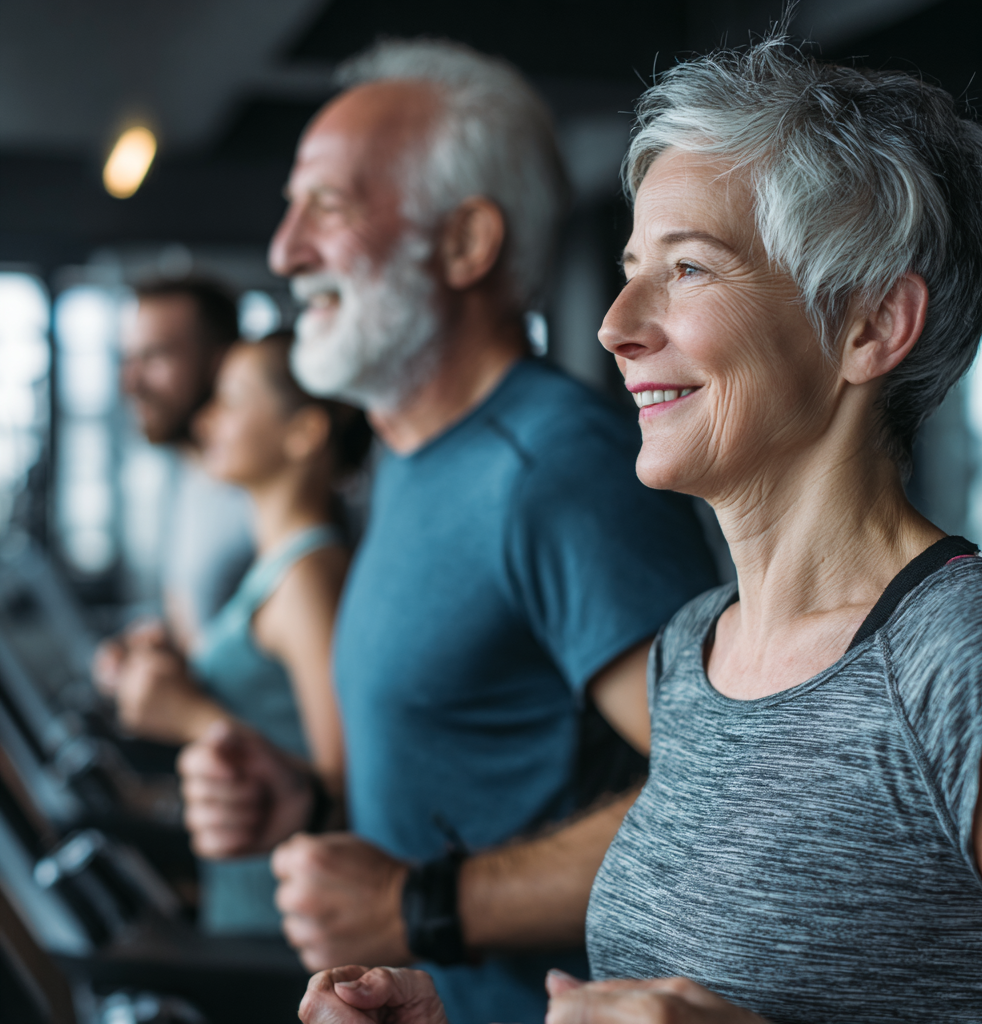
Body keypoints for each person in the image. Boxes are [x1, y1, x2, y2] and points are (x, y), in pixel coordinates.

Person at [295, 32, 982, 1024]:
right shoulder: (694, 651)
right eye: (632, 267)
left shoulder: (964, 652)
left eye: (687, 270)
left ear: (867, 325)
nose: (615, 323)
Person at [177, 38, 718, 1024]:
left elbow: (726, 802)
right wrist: (301, 800)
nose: (284, 250)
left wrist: (415, 904)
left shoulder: (557, 466)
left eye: (329, 207)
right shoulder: (413, 455)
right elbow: (484, 758)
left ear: (467, 243)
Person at [102, 332, 369, 935]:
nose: (207, 418)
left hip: (282, 926)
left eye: (232, 399)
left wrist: (191, 714)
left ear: (303, 433)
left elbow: (344, 793)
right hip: (246, 896)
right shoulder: (276, 566)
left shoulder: (308, 576)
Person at [95, 278, 254, 694]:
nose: (130, 383)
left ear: (218, 362)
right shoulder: (187, 475)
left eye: (155, 357)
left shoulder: (263, 492)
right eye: (127, 359)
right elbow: (224, 650)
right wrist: (159, 652)